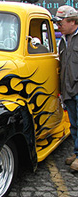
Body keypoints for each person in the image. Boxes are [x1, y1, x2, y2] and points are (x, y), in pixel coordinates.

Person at [53, 5, 78, 171]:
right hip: (69, 90)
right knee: (74, 125)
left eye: (60, 22)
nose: (58, 26)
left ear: (72, 21)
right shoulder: (63, 40)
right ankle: (77, 153)